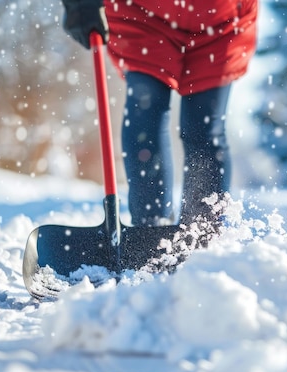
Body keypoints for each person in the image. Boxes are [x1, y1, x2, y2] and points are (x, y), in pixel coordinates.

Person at [60, 0, 258, 229]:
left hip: (221, 19)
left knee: (203, 128)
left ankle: (203, 234)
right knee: (146, 108)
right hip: (142, 13)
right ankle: (150, 231)